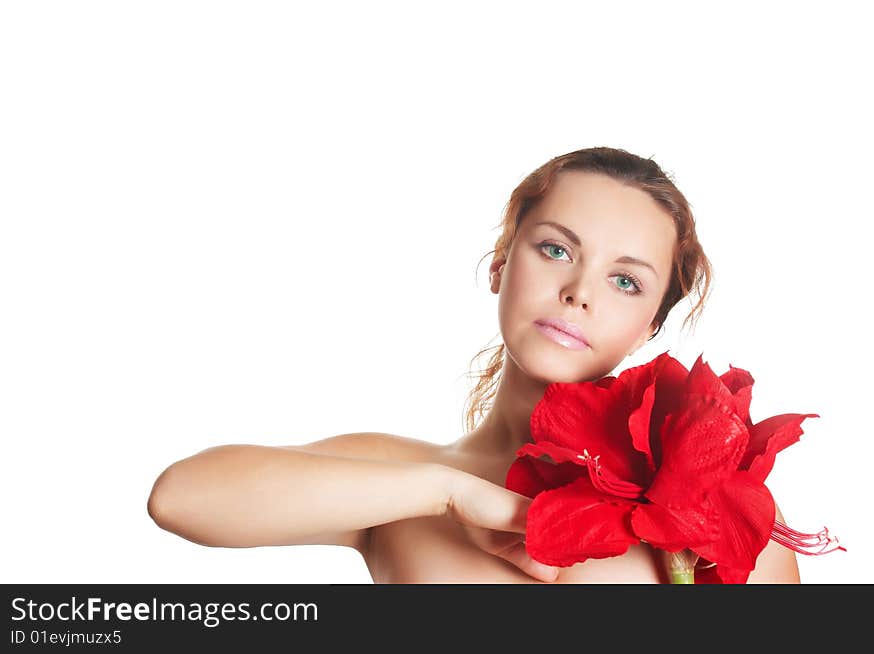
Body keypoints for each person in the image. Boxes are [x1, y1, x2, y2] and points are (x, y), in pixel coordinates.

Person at [147, 146, 800, 583]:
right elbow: (181, 499)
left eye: (625, 282)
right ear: (500, 264)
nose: (580, 292)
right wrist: (450, 493)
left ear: (648, 328)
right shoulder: (401, 478)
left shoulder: (705, 509)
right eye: (554, 249)